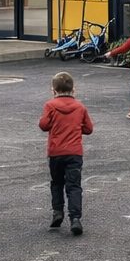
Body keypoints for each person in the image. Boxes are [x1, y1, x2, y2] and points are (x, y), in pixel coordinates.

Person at [39, 71, 93, 235]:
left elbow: (43, 125)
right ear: (73, 90)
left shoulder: (50, 106)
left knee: (56, 183)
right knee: (74, 186)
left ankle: (57, 212)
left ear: (53, 90)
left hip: (56, 152)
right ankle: (75, 218)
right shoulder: (80, 107)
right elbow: (88, 129)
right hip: (74, 153)